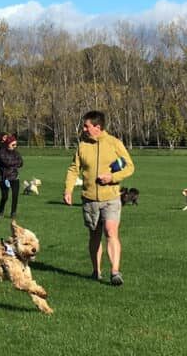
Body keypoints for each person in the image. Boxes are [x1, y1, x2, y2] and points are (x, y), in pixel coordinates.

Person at [63, 111, 135, 286]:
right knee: (94, 235)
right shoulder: (82, 146)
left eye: (87, 126)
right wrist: (68, 189)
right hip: (89, 199)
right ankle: (96, 271)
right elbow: (74, 169)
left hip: (111, 197)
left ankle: (115, 272)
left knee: (111, 231)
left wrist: (113, 178)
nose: (84, 129)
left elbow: (130, 167)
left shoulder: (114, 143)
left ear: (98, 127)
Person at [0, 134, 23, 218]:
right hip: (4, 177)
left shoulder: (16, 153)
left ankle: (13, 213)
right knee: (5, 196)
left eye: (16, 144)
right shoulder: (1, 152)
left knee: (15, 196)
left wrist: (12, 164)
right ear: (8, 144)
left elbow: (21, 163)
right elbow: (5, 162)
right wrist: (14, 163)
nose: (15, 146)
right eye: (13, 144)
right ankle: (1, 211)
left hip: (14, 177)